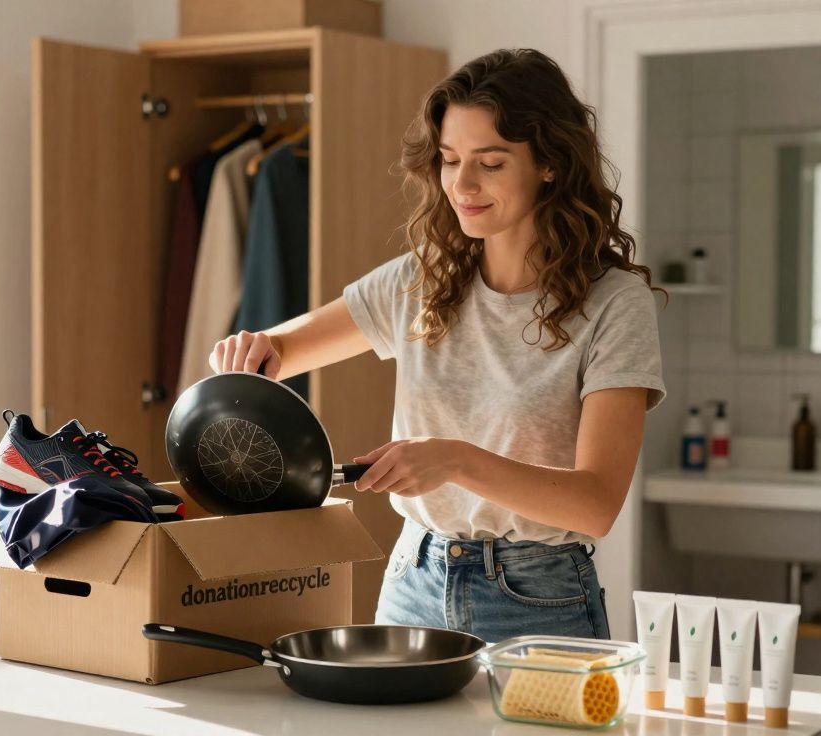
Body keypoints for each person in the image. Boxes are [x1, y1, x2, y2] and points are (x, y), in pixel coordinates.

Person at [208, 48, 665, 643]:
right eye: (450, 160)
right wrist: (254, 350)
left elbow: (595, 505)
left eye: (490, 163)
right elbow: (281, 349)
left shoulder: (615, 303)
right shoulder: (423, 278)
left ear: (550, 163)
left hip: (537, 599)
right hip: (413, 581)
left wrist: (455, 460)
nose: (462, 184)